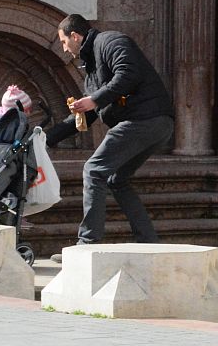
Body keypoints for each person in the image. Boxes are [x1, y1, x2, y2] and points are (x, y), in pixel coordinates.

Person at [46, 14, 175, 249]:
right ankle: (148, 242)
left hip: (143, 119)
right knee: (117, 179)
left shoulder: (111, 41)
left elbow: (128, 74)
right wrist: (47, 139)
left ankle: (87, 243)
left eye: (64, 42)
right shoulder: (92, 67)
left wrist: (94, 99)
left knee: (93, 170)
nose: (64, 49)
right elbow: (88, 113)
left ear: (75, 36)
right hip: (153, 124)